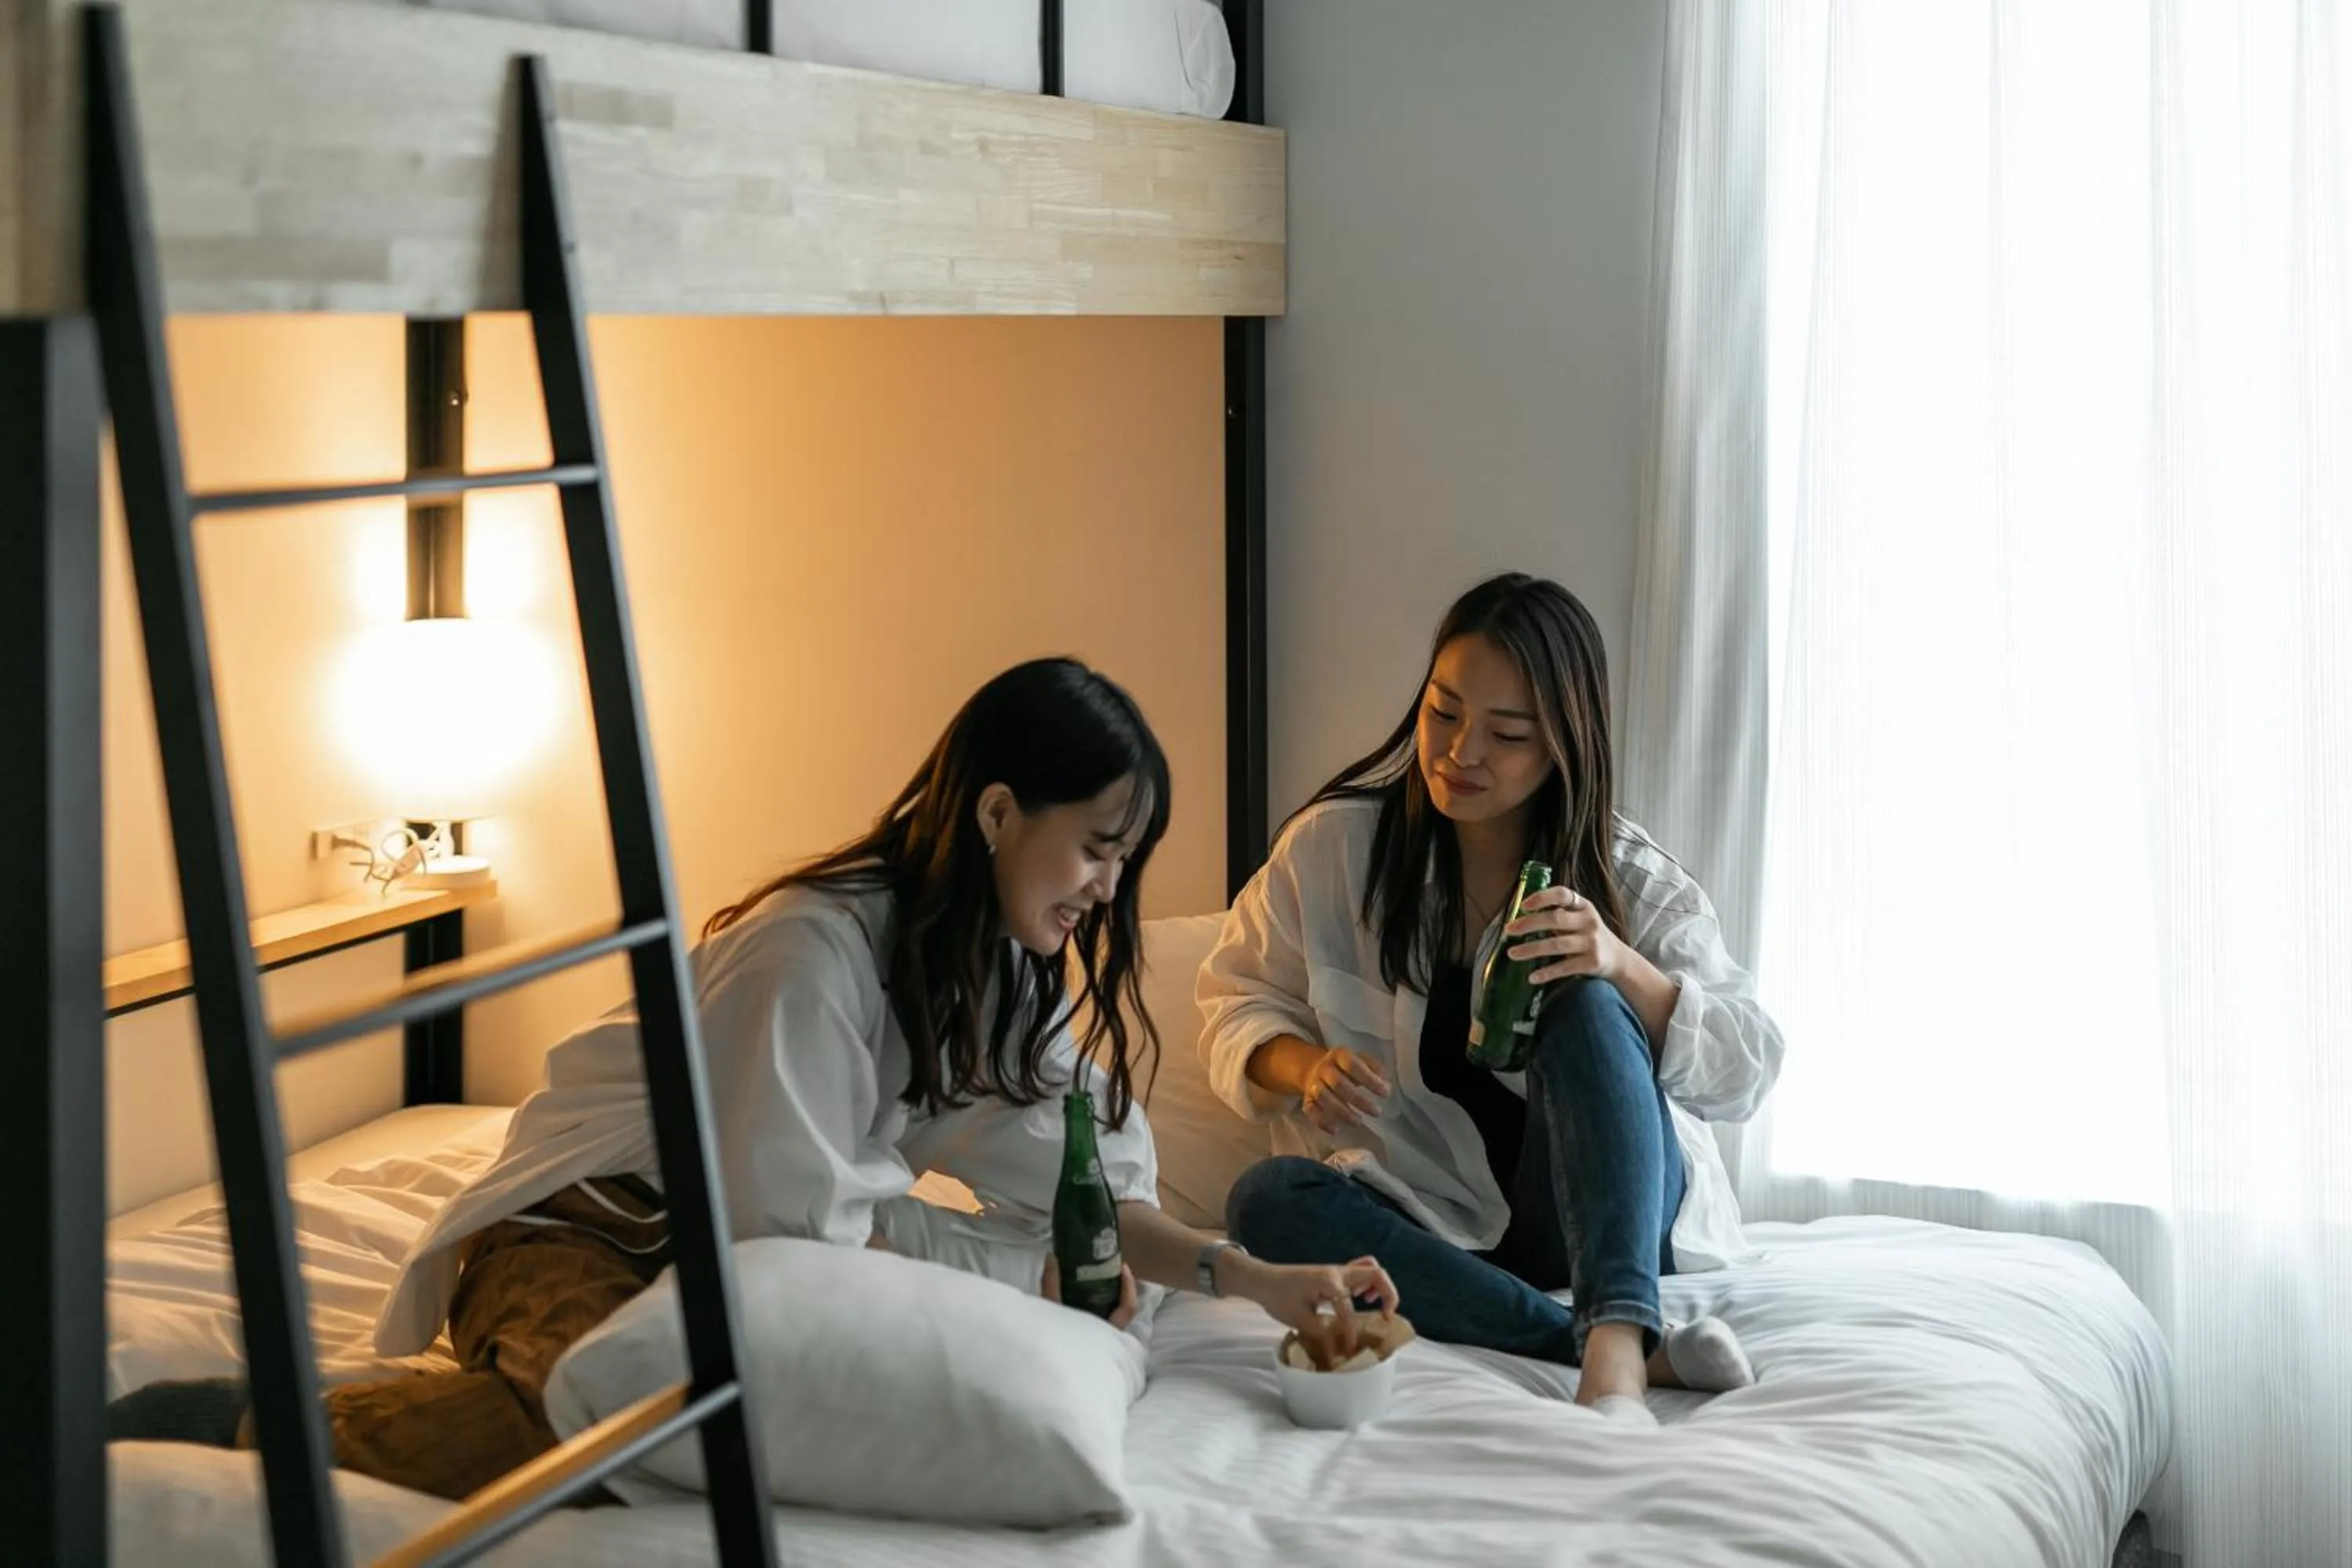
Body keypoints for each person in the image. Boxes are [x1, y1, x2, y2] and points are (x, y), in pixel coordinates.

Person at [111, 657, 1396, 1497]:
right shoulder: (809, 949)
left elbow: (1086, 1190)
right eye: (1097, 849)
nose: (1110, 887)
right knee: (623, 1437)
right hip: (574, 1228)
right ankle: (223, 1418)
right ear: (1001, 814)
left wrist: (1253, 1275)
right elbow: (787, 1240)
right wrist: (1015, 1272)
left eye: (1127, 858)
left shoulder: (987, 964)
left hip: (704, 1246)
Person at [1201, 575, 1784, 1425]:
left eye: (1507, 733)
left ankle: (1616, 1351)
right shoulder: (1334, 850)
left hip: (1607, 1208)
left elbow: (1749, 1064)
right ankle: (1599, 1340)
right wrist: (1305, 1065)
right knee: (1265, 1200)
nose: (1460, 752)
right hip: (1434, 1213)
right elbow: (1234, 994)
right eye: (1443, 712)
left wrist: (1621, 965)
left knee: (1585, 1004)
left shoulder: (1632, 879)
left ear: (1562, 743)